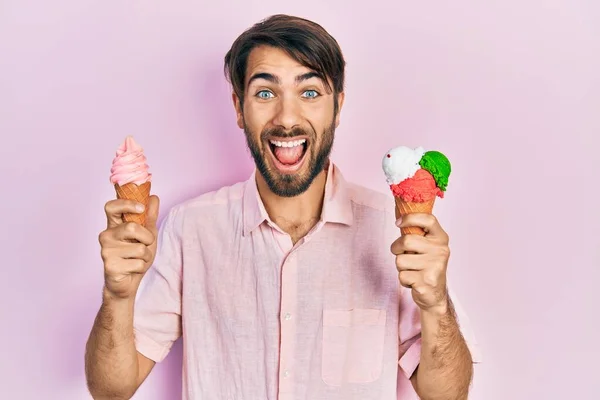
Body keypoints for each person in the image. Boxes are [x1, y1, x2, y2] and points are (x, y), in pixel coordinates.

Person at [85, 14, 481, 400]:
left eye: (309, 92)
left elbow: (447, 395)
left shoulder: (389, 230)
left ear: (337, 108)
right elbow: (111, 389)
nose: (287, 117)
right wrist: (117, 296)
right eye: (265, 93)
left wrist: (436, 304)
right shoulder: (191, 229)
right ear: (239, 109)